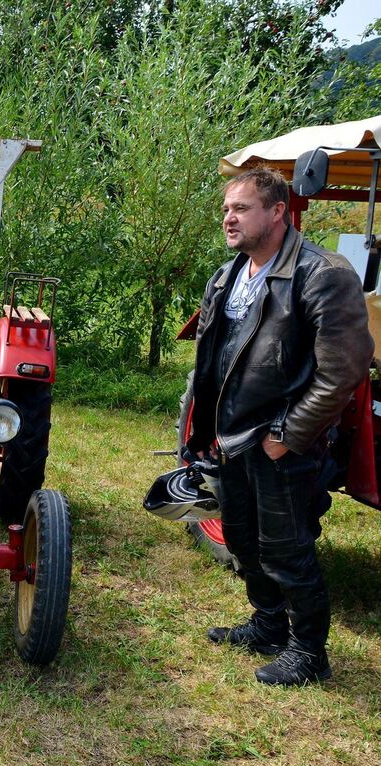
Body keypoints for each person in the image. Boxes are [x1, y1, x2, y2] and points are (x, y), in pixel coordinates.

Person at [186, 167, 372, 686]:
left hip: (281, 441)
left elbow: (344, 369)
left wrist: (288, 435)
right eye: (226, 208)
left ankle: (309, 653)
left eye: (241, 209)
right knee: (244, 540)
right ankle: (267, 625)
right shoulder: (227, 275)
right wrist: (205, 435)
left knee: (288, 549)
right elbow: (212, 360)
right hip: (233, 437)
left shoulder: (323, 274)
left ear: (277, 213)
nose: (229, 218)